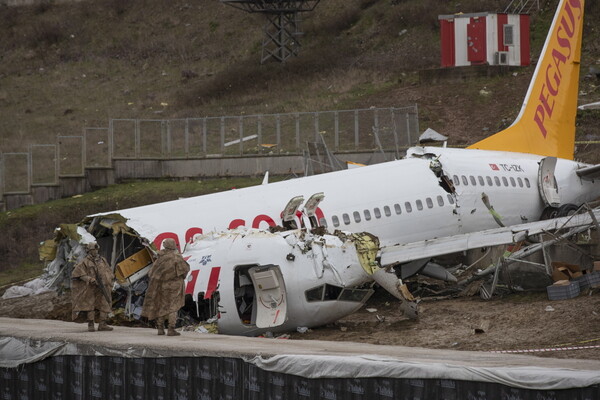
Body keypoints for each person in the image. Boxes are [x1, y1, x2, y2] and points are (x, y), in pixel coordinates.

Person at [142, 238, 190, 336]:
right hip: (174, 286)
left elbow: (151, 273)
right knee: (173, 307)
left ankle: (160, 328)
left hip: (162, 286)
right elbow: (184, 270)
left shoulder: (160, 258)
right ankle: (171, 328)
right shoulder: (176, 258)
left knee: (162, 306)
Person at [71, 242, 114, 332]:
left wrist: (110, 279)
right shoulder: (84, 262)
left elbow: (108, 270)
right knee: (90, 305)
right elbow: (78, 274)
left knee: (105, 303)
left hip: (104, 286)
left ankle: (102, 324)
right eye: (93, 250)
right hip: (91, 287)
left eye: (96, 249)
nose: (95, 251)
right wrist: (90, 279)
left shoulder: (102, 260)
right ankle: (91, 323)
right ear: (89, 251)